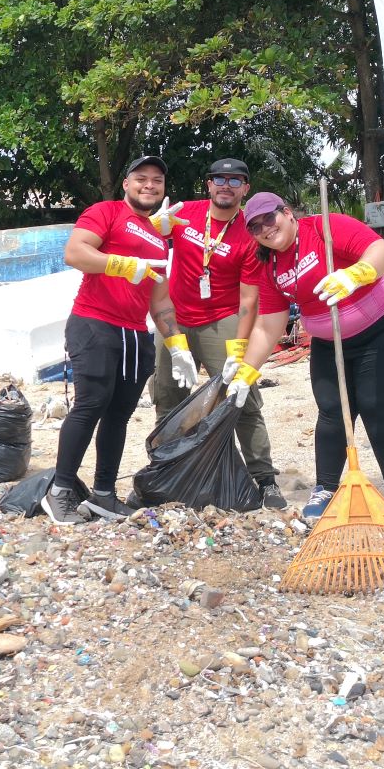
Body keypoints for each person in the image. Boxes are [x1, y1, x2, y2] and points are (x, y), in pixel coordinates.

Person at [227, 192, 384, 522]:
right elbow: (269, 326)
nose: (265, 229)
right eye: (255, 227)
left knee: (377, 407)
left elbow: (382, 251)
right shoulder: (270, 265)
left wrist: (356, 274)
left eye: (269, 219)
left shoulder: (325, 229)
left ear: (287, 213)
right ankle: (326, 488)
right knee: (331, 410)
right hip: (329, 341)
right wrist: (247, 371)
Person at [41, 155, 199, 525]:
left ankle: (103, 495)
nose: (149, 185)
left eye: (157, 180)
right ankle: (60, 491)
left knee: (120, 414)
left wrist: (178, 346)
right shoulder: (106, 211)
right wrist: (122, 264)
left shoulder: (161, 239)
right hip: (94, 323)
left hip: (134, 334)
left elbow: (159, 301)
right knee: (90, 404)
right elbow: (75, 252)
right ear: (126, 183)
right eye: (141, 178)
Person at [150, 158, 284, 509]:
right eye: (219, 179)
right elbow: (141, 241)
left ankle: (264, 478)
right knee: (167, 396)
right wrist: (154, 225)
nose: (226, 185)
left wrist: (240, 350)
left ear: (245, 188)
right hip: (176, 317)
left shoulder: (249, 232)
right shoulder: (186, 213)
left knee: (242, 395)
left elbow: (248, 299)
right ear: (208, 185)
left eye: (235, 179)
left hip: (222, 319)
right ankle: (167, 468)